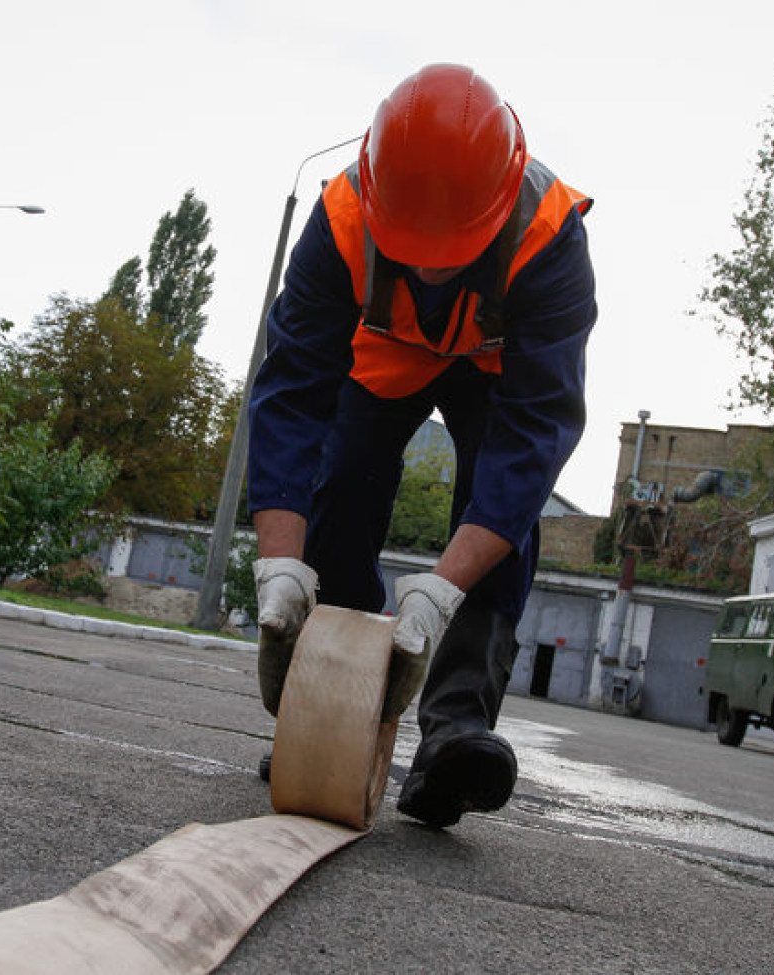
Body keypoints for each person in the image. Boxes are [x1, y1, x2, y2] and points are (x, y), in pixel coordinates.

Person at [247, 63, 596, 828]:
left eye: (455, 247)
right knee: (341, 479)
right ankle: (333, 703)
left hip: (492, 372)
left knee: (504, 512)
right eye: (415, 245)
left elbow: (534, 434)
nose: (433, 263)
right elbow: (292, 390)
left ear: (497, 206)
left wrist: (440, 591)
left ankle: (456, 732)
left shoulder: (548, 234)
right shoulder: (341, 214)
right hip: (384, 356)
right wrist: (278, 562)